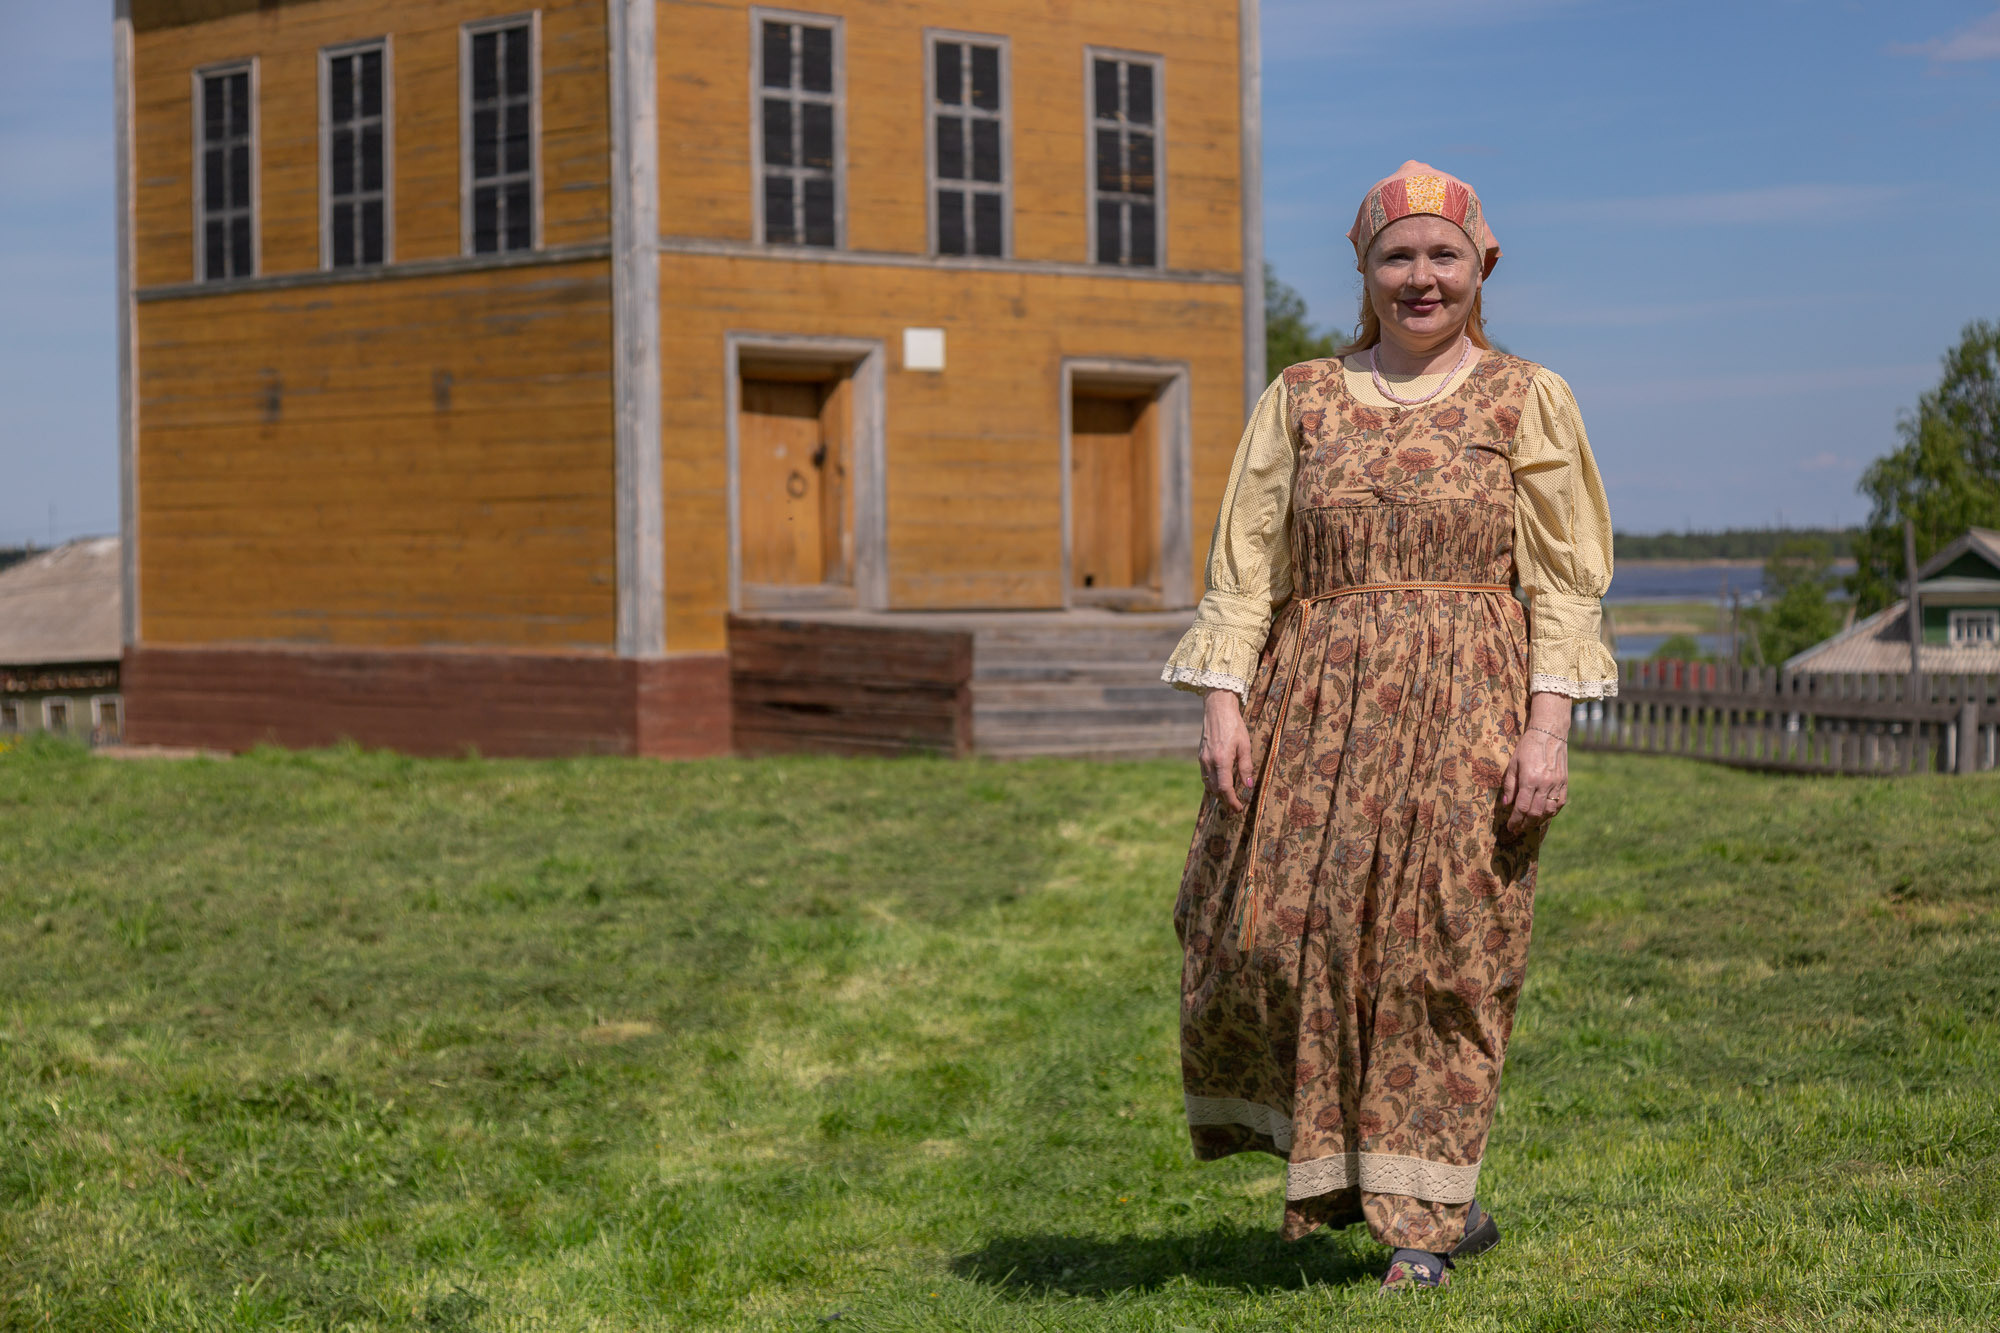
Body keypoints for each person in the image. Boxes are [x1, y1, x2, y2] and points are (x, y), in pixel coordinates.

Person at [1160, 161, 1616, 1292]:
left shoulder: (1524, 398)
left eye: (1441, 256)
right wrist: (1223, 699)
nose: (1421, 278)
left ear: (1480, 267)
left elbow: (1562, 584)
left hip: (1468, 704)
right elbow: (1244, 563)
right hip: (1310, 701)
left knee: (1438, 950)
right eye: (1396, 257)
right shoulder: (1302, 396)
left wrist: (1545, 729)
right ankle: (1343, 1170)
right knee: (1276, 937)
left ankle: (1420, 1217)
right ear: (1364, 271)